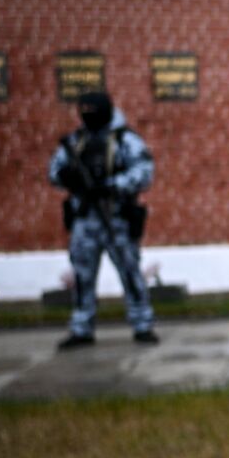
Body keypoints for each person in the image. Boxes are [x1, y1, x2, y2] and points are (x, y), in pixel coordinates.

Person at [48, 90, 158, 349]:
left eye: (92, 109)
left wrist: (111, 185)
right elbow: (54, 172)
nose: (88, 115)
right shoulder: (75, 142)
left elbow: (144, 173)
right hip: (85, 221)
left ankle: (143, 325)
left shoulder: (125, 140)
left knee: (130, 273)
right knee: (82, 277)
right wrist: (66, 176)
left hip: (115, 217)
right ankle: (82, 328)